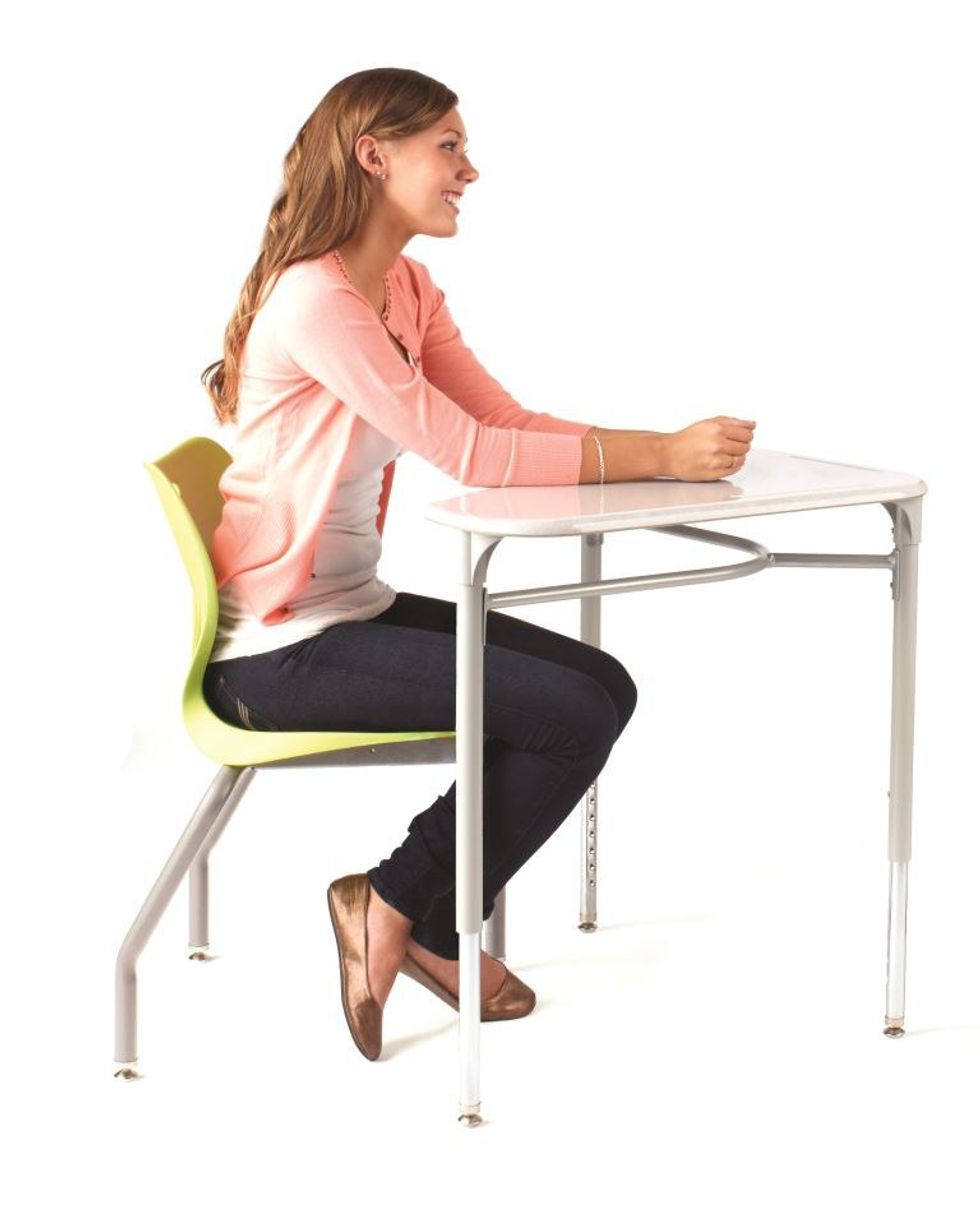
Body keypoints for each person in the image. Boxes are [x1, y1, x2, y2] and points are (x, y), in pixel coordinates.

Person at [199, 67, 757, 1061]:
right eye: (448, 148)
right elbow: (468, 454)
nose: (470, 170)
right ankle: (397, 904)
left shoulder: (405, 289)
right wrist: (661, 456)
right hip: (276, 650)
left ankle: (411, 913)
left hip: (349, 608)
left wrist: (657, 449)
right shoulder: (318, 301)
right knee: (570, 714)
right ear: (374, 156)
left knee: (603, 685)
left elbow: (501, 421)